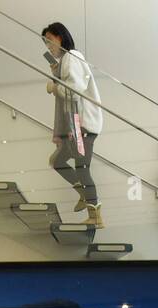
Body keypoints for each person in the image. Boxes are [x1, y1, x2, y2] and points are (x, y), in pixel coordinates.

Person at [42, 22, 104, 228]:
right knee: (58, 160)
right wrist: (57, 74)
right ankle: (83, 193)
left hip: (83, 124)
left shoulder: (72, 56)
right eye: (45, 41)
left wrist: (54, 86)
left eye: (49, 39)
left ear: (60, 36)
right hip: (78, 125)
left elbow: (73, 91)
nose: (47, 45)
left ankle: (95, 214)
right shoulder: (67, 60)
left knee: (81, 168)